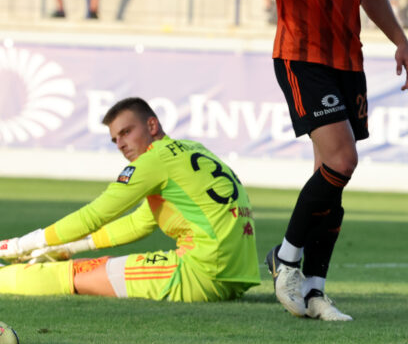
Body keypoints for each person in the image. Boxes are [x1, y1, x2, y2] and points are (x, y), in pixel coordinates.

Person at [237, 0, 408, 320]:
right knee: (342, 160)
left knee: (331, 179)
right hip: (301, 54)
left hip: (348, 59)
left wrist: (399, 39)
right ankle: (286, 258)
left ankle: (314, 288)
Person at [0, 97, 260, 302]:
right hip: (234, 275)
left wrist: (20, 245)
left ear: (152, 126)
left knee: (77, 273)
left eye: (126, 132)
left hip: (201, 274)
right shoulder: (192, 149)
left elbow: (94, 216)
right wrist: (68, 248)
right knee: (93, 266)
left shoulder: (154, 161)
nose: (121, 145)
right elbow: (140, 223)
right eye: (115, 139)